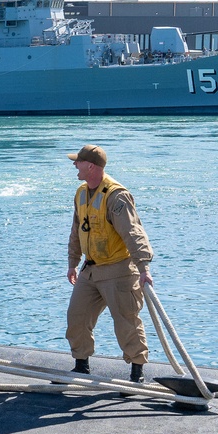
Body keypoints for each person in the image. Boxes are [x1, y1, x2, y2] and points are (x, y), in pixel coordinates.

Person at [65, 144, 154, 382]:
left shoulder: (117, 197)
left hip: (119, 271)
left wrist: (144, 269)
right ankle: (81, 366)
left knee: (127, 322)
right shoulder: (81, 192)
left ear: (91, 166)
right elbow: (76, 230)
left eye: (78, 162)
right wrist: (73, 262)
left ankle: (136, 373)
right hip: (90, 269)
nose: (74, 165)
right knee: (77, 316)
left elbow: (133, 234)